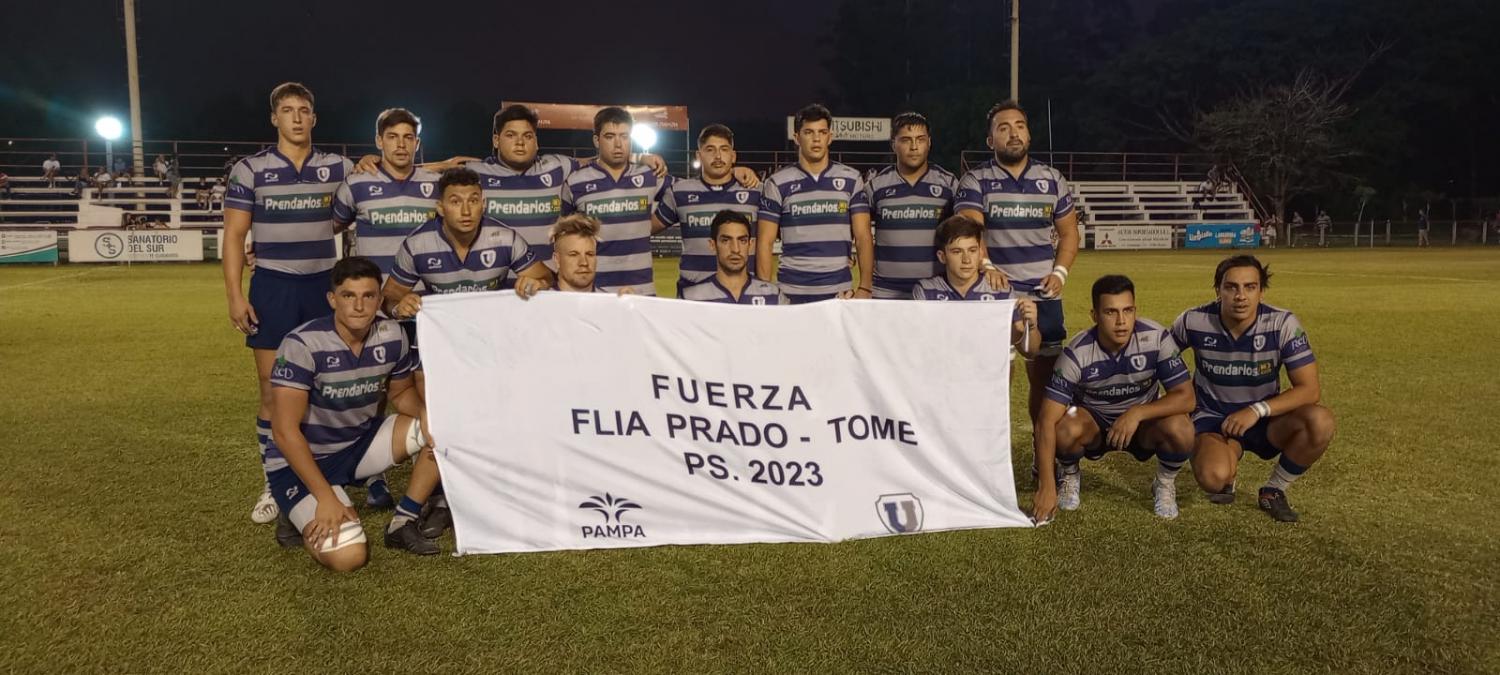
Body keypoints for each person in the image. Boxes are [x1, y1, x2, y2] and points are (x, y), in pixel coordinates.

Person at [222, 82, 356, 524]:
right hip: (273, 286)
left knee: (323, 387)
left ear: (314, 119)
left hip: (323, 286)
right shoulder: (251, 169)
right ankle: (274, 481)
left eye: (304, 110)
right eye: (287, 110)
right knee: (272, 392)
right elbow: (236, 236)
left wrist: (443, 163)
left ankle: (326, 473)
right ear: (274, 118)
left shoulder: (338, 167)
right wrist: (235, 294)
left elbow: (384, 178)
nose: (296, 118)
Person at [266, 256, 442, 569]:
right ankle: (295, 508)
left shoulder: (392, 336)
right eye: (349, 296)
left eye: (368, 296)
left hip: (358, 445)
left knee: (443, 427)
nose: (359, 306)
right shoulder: (302, 344)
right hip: (302, 462)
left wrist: (425, 412)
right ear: (332, 299)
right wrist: (325, 498)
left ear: (379, 299)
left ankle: (403, 522)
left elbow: (401, 394)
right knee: (349, 557)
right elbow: (284, 431)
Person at [954, 100, 1081, 468]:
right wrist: (988, 264)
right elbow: (971, 229)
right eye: (1004, 127)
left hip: (1043, 297)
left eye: (1020, 125)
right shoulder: (976, 179)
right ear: (990, 139)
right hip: (994, 298)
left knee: (1045, 381)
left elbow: (1069, 233)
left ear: (1029, 132)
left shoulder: (1052, 178)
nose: (1014, 132)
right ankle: (990, 461)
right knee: (995, 384)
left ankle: (1044, 459)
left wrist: (1059, 274)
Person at [1171, 255, 1336, 522]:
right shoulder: (1193, 320)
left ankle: (1274, 490)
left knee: (1320, 421)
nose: (1241, 296)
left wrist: (1256, 410)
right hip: (1212, 416)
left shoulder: (1282, 324)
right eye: (1231, 287)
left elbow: (1309, 390)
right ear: (1218, 289)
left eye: (1250, 287)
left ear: (1261, 290)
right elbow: (1161, 360)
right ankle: (1228, 459)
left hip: (1265, 418)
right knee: (1214, 478)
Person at [1032, 275, 1195, 523]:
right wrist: (1046, 486)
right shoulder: (1076, 354)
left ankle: (1163, 483)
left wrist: (1137, 413)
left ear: (1135, 310)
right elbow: (1045, 420)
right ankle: (1069, 474)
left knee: (1181, 427)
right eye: (1110, 312)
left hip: (1141, 426)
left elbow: (1186, 398)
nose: (1121, 321)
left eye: (1127, 310)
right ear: (1094, 316)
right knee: (1064, 426)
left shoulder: (1156, 338)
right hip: (1094, 424)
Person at [382, 167, 553, 319]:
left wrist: (539, 284)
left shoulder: (506, 239)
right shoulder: (416, 245)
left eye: (473, 201)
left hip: (492, 330)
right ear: (440, 208)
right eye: (455, 202)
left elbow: (545, 277)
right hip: (444, 333)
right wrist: (398, 307)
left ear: (483, 204)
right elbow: (389, 296)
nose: (466, 211)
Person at [756, 103, 874, 303]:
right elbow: (765, 243)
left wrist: (865, 287)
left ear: (831, 136)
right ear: (796, 137)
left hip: (839, 294)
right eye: (809, 132)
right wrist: (765, 292)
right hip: (792, 292)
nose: (816, 138)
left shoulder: (851, 179)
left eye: (822, 132)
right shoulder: (778, 182)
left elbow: (863, 237)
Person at [559, 107, 669, 295]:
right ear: (597, 140)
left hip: (641, 290)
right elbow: (565, 237)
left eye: (624, 136)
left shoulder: (651, 175)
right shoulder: (575, 182)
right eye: (610, 137)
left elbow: (689, 191)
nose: (618, 144)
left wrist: (733, 172)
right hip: (595, 292)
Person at [653, 124, 761, 296]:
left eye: (724, 149)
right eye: (710, 149)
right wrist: (639, 157)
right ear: (699, 155)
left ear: (733, 156)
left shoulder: (755, 192)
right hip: (693, 295)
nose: (718, 156)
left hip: (742, 297)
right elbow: (643, 229)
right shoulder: (680, 191)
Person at [333, 108, 440, 280]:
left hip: (425, 298)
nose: (401, 145)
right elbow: (328, 228)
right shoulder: (356, 183)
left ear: (417, 143)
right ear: (379, 141)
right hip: (374, 297)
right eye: (392, 137)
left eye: (408, 137)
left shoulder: (437, 185)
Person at [865, 112, 958, 299]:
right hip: (885, 291)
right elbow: (858, 230)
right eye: (906, 140)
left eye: (920, 139)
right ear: (894, 144)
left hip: (935, 291)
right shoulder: (875, 186)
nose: (914, 147)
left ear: (929, 142)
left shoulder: (948, 184)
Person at [681, 210, 789, 304]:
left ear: (750, 245)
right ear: (712, 245)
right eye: (726, 240)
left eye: (742, 241)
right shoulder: (692, 299)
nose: (735, 249)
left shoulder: (774, 297)